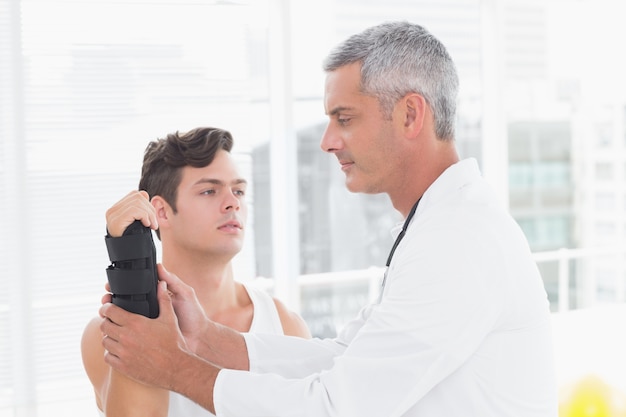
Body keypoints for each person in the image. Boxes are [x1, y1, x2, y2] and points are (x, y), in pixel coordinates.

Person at [98, 21, 558, 416]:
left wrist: (176, 367)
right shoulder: (438, 228)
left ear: (410, 114)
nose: (328, 141)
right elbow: (345, 358)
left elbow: (335, 408)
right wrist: (205, 339)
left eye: (345, 118)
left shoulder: (458, 241)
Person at [81, 126, 311, 416]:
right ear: (161, 212)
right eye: (209, 190)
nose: (233, 203)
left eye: (238, 190)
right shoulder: (108, 335)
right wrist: (130, 258)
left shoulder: (285, 324)